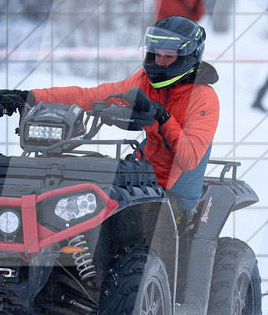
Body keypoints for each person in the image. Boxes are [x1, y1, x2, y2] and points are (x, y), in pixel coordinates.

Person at [26, 16, 219, 224]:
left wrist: (164, 117)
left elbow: (189, 158)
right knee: (82, 192)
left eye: (168, 56)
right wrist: (31, 96)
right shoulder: (145, 81)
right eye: (155, 54)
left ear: (187, 57)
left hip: (175, 192)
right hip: (142, 175)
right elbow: (93, 95)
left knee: (125, 228)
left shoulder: (203, 98)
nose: (160, 62)